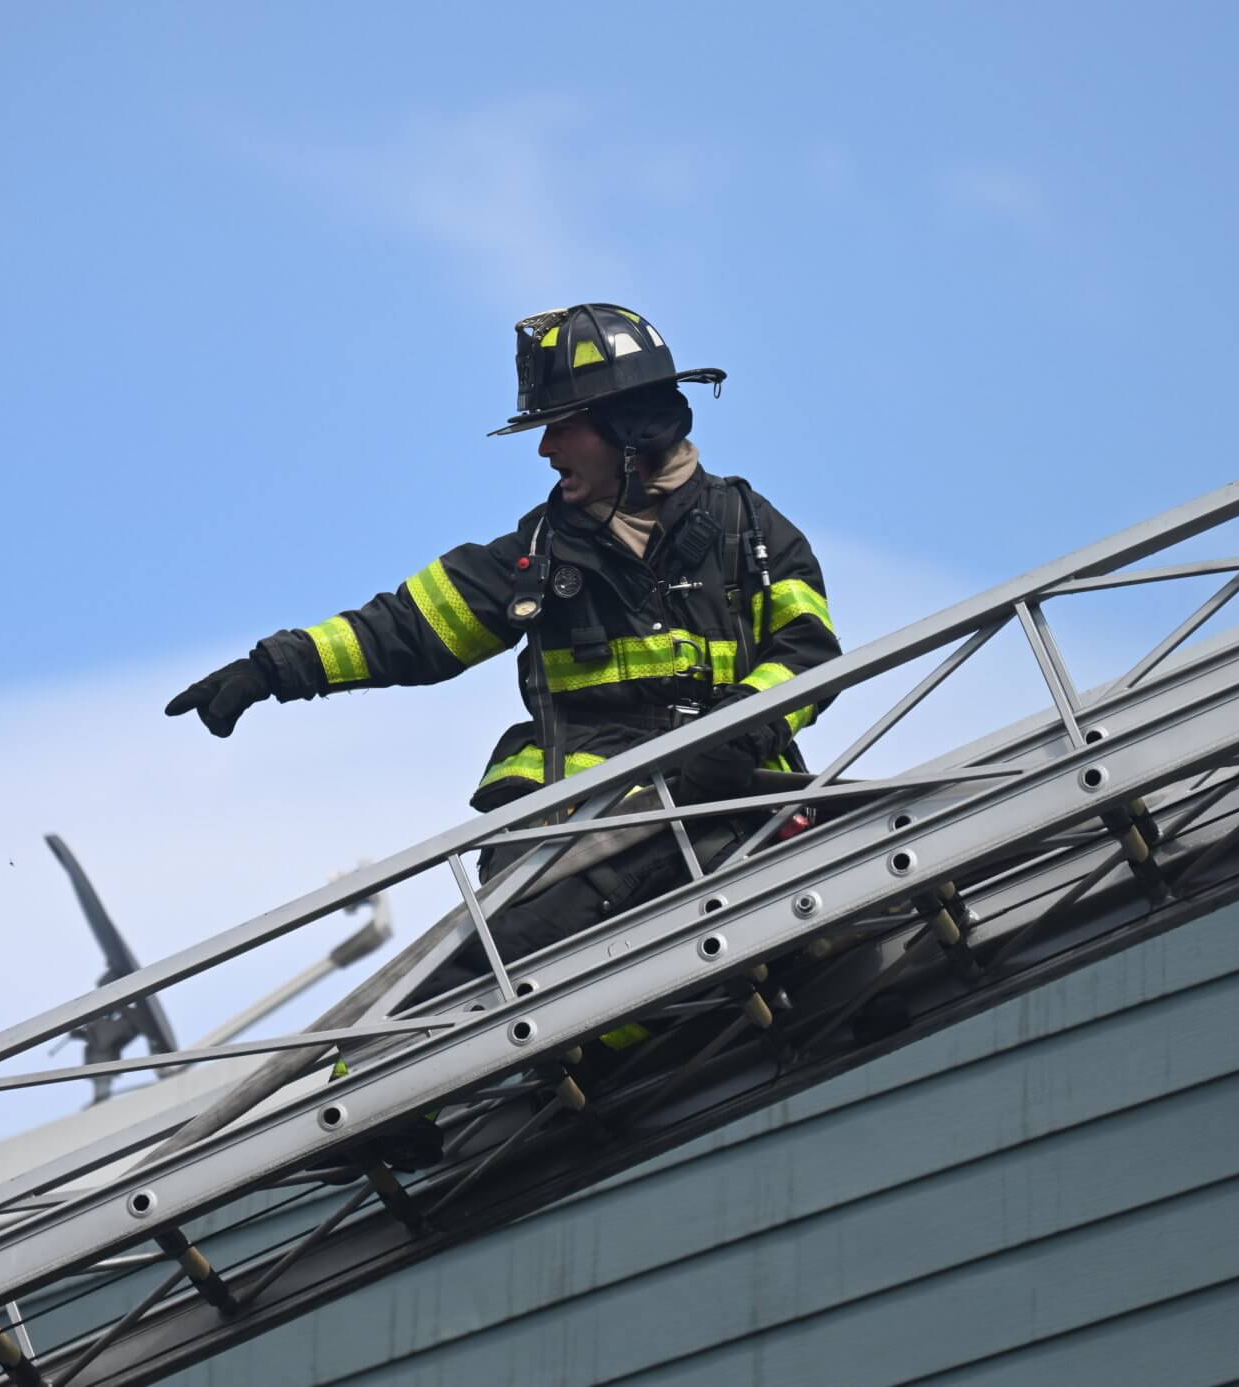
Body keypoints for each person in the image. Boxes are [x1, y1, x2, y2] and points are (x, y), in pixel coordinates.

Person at [167, 303, 841, 987]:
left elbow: (808, 651)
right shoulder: (537, 556)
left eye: (562, 426)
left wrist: (737, 735)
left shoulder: (750, 530)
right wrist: (273, 667)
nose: (545, 449)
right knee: (461, 993)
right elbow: (403, 628)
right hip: (569, 844)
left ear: (630, 427)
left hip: (729, 809)